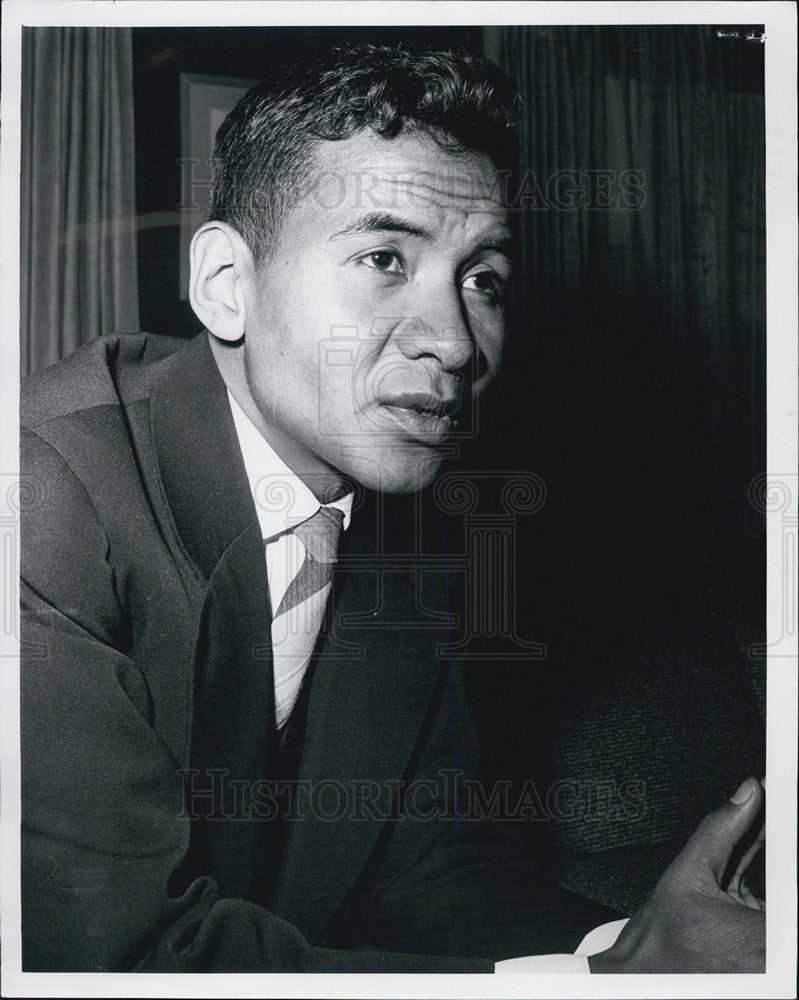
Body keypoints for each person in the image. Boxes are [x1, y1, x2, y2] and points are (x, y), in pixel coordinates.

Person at [20, 43, 765, 974]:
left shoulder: (402, 508)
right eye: (384, 256)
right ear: (225, 285)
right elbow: (114, 959)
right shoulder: (41, 498)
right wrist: (619, 984)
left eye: (483, 277)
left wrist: (627, 948)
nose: (453, 341)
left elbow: (423, 872)